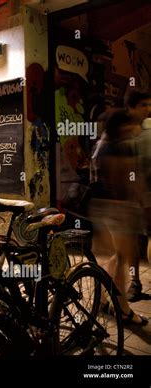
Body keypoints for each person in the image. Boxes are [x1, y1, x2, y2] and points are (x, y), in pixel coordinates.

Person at [89, 109, 148, 325]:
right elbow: (119, 182)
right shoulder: (114, 147)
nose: (136, 127)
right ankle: (122, 310)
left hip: (103, 209)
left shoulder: (100, 144)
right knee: (120, 260)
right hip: (116, 210)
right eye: (131, 124)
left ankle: (103, 300)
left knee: (112, 258)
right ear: (121, 126)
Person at [124, 88, 151, 302]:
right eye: (143, 105)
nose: (148, 109)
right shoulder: (122, 131)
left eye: (150, 104)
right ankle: (134, 282)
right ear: (130, 107)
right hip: (130, 195)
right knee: (132, 241)